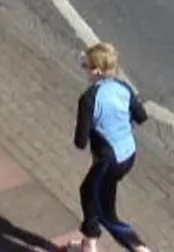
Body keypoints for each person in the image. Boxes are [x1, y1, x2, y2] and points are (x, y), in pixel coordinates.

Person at [57, 42, 151, 252]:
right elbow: (141, 116)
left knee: (105, 212)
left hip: (109, 160)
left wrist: (95, 129)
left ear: (96, 71)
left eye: (86, 65)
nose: (84, 69)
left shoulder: (89, 98)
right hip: (128, 154)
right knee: (94, 193)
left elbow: (80, 142)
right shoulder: (123, 88)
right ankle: (88, 244)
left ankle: (140, 249)